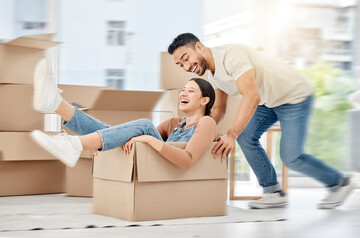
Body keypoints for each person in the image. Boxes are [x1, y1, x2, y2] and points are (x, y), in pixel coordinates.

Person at [167, 33, 354, 209]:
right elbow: (218, 109)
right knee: (246, 138)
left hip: (293, 95)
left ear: (199, 47)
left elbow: (251, 95)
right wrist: (197, 131)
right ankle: (273, 192)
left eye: (185, 58)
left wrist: (231, 134)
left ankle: (339, 182)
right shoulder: (213, 75)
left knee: (291, 157)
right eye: (180, 65)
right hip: (269, 100)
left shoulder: (231, 56)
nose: (186, 66)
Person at [31, 59, 217, 169]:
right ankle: (56, 104)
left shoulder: (207, 122)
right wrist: (110, 140)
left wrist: (149, 139)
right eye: (183, 90)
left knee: (145, 125)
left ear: (204, 100)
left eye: (191, 91)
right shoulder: (174, 123)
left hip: (171, 169)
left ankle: (75, 143)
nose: (183, 93)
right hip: (155, 165)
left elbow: (187, 160)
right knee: (114, 131)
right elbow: (129, 135)